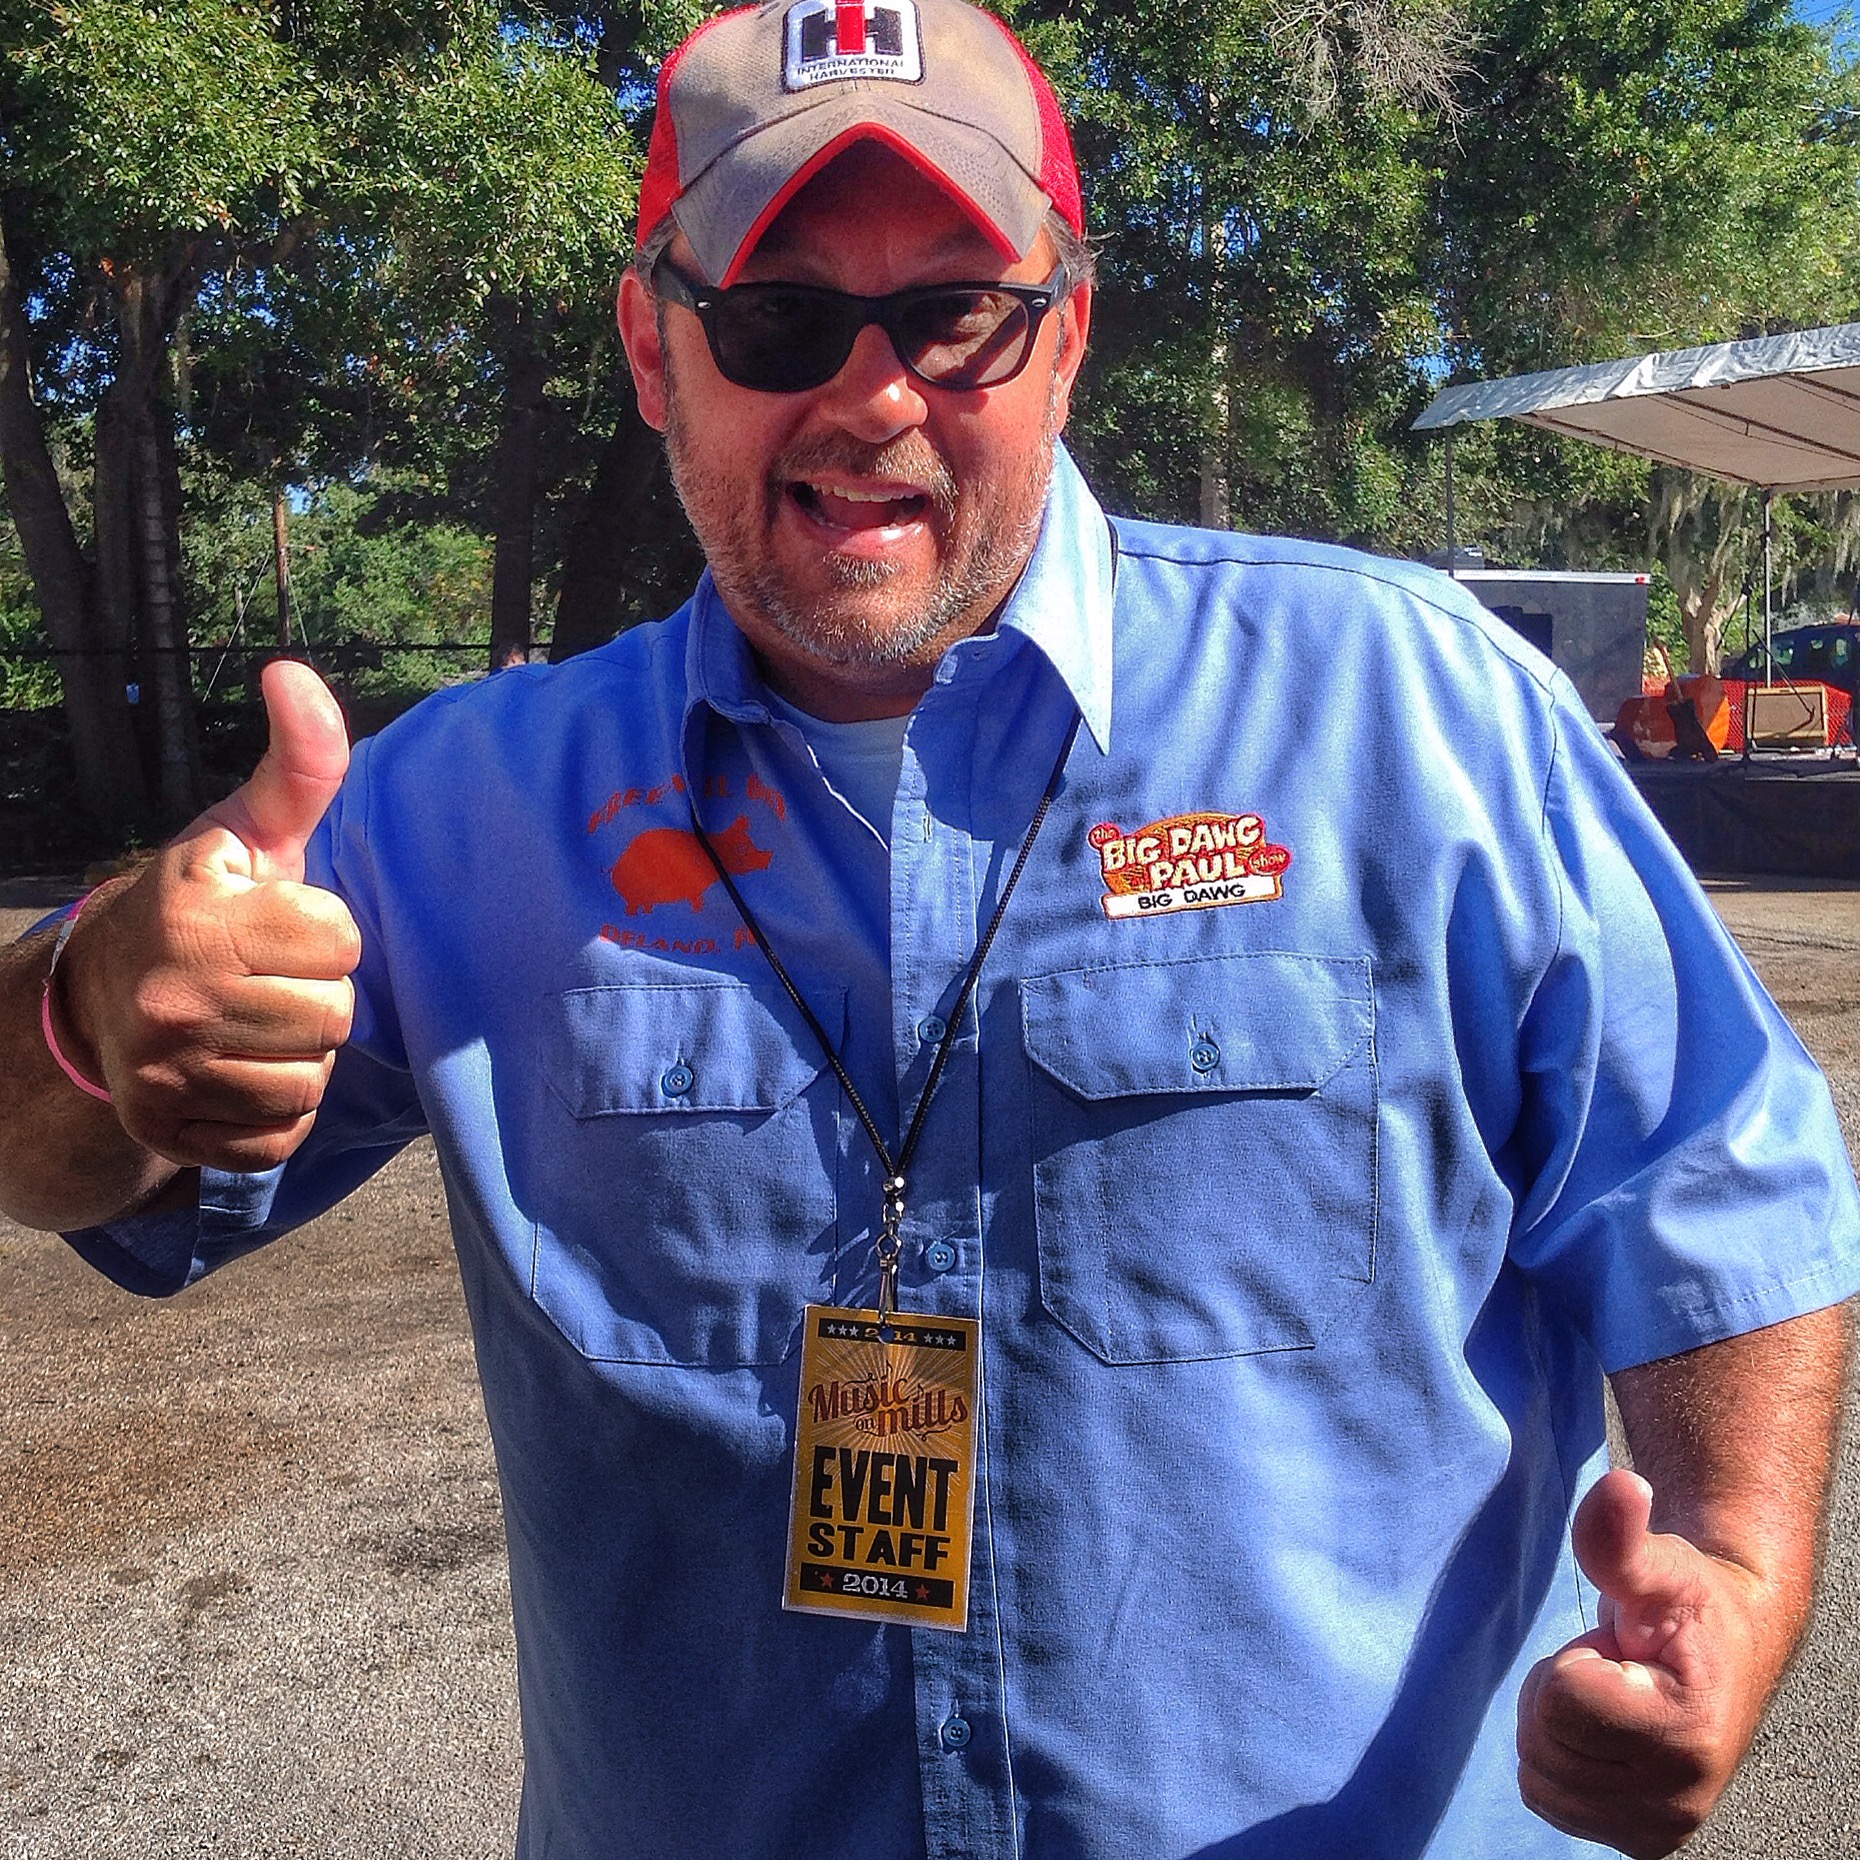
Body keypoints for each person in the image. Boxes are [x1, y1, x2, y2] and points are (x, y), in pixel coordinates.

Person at [1, 2, 1855, 1855]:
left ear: (1070, 329)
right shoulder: (457, 812)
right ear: (656, 351)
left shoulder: (1412, 715)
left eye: (959, 310)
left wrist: (1733, 1569)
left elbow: (1716, 1177)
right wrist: (95, 1006)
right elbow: (48, 1155)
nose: (874, 396)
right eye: (781, 317)